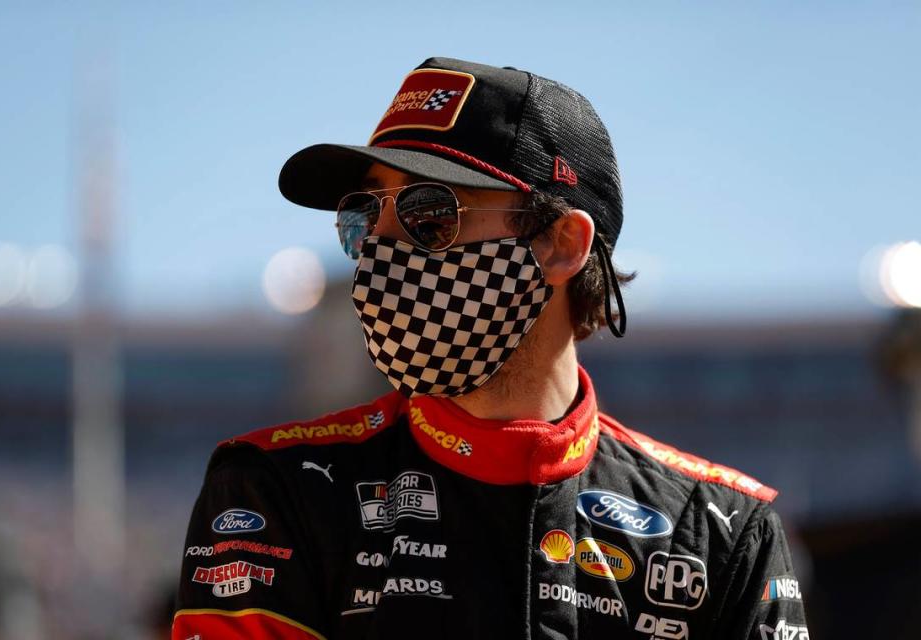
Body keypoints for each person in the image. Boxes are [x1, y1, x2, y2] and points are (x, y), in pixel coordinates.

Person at [173, 57, 809, 640]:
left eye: (429, 214)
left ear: (561, 243)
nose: (379, 250)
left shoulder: (723, 532)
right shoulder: (274, 491)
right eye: (364, 216)